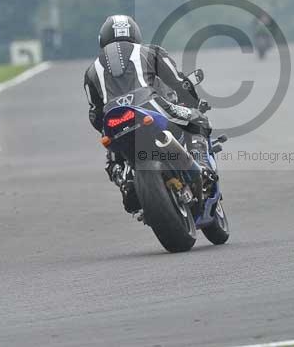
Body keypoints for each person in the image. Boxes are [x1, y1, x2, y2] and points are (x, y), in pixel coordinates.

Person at [84, 15, 216, 213]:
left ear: (102, 38)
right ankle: (203, 167)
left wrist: (106, 127)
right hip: (151, 105)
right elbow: (179, 83)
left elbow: (95, 115)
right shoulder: (150, 51)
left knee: (112, 155)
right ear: (136, 34)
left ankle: (126, 183)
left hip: (115, 118)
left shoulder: (91, 71)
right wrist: (193, 103)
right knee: (198, 118)